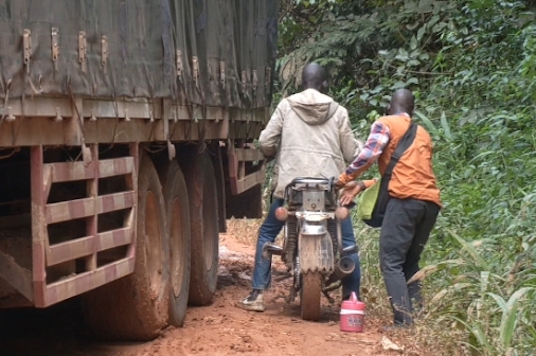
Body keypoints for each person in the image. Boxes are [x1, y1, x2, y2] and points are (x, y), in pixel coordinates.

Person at [238, 62, 363, 312]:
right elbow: (352, 153)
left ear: (301, 83)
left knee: (267, 235)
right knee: (347, 242)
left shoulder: (287, 106)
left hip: (290, 188)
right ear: (325, 84)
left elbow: (265, 142)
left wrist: (271, 152)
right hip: (328, 188)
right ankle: (351, 301)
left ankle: (257, 294)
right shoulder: (338, 111)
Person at [337, 89, 442, 327]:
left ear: (388, 107)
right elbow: (409, 174)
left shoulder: (385, 123)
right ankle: (416, 319)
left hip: (405, 202)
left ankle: (403, 323)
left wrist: (343, 179)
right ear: (412, 111)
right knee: (410, 262)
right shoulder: (423, 133)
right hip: (430, 204)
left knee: (391, 261)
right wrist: (364, 184)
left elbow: (368, 155)